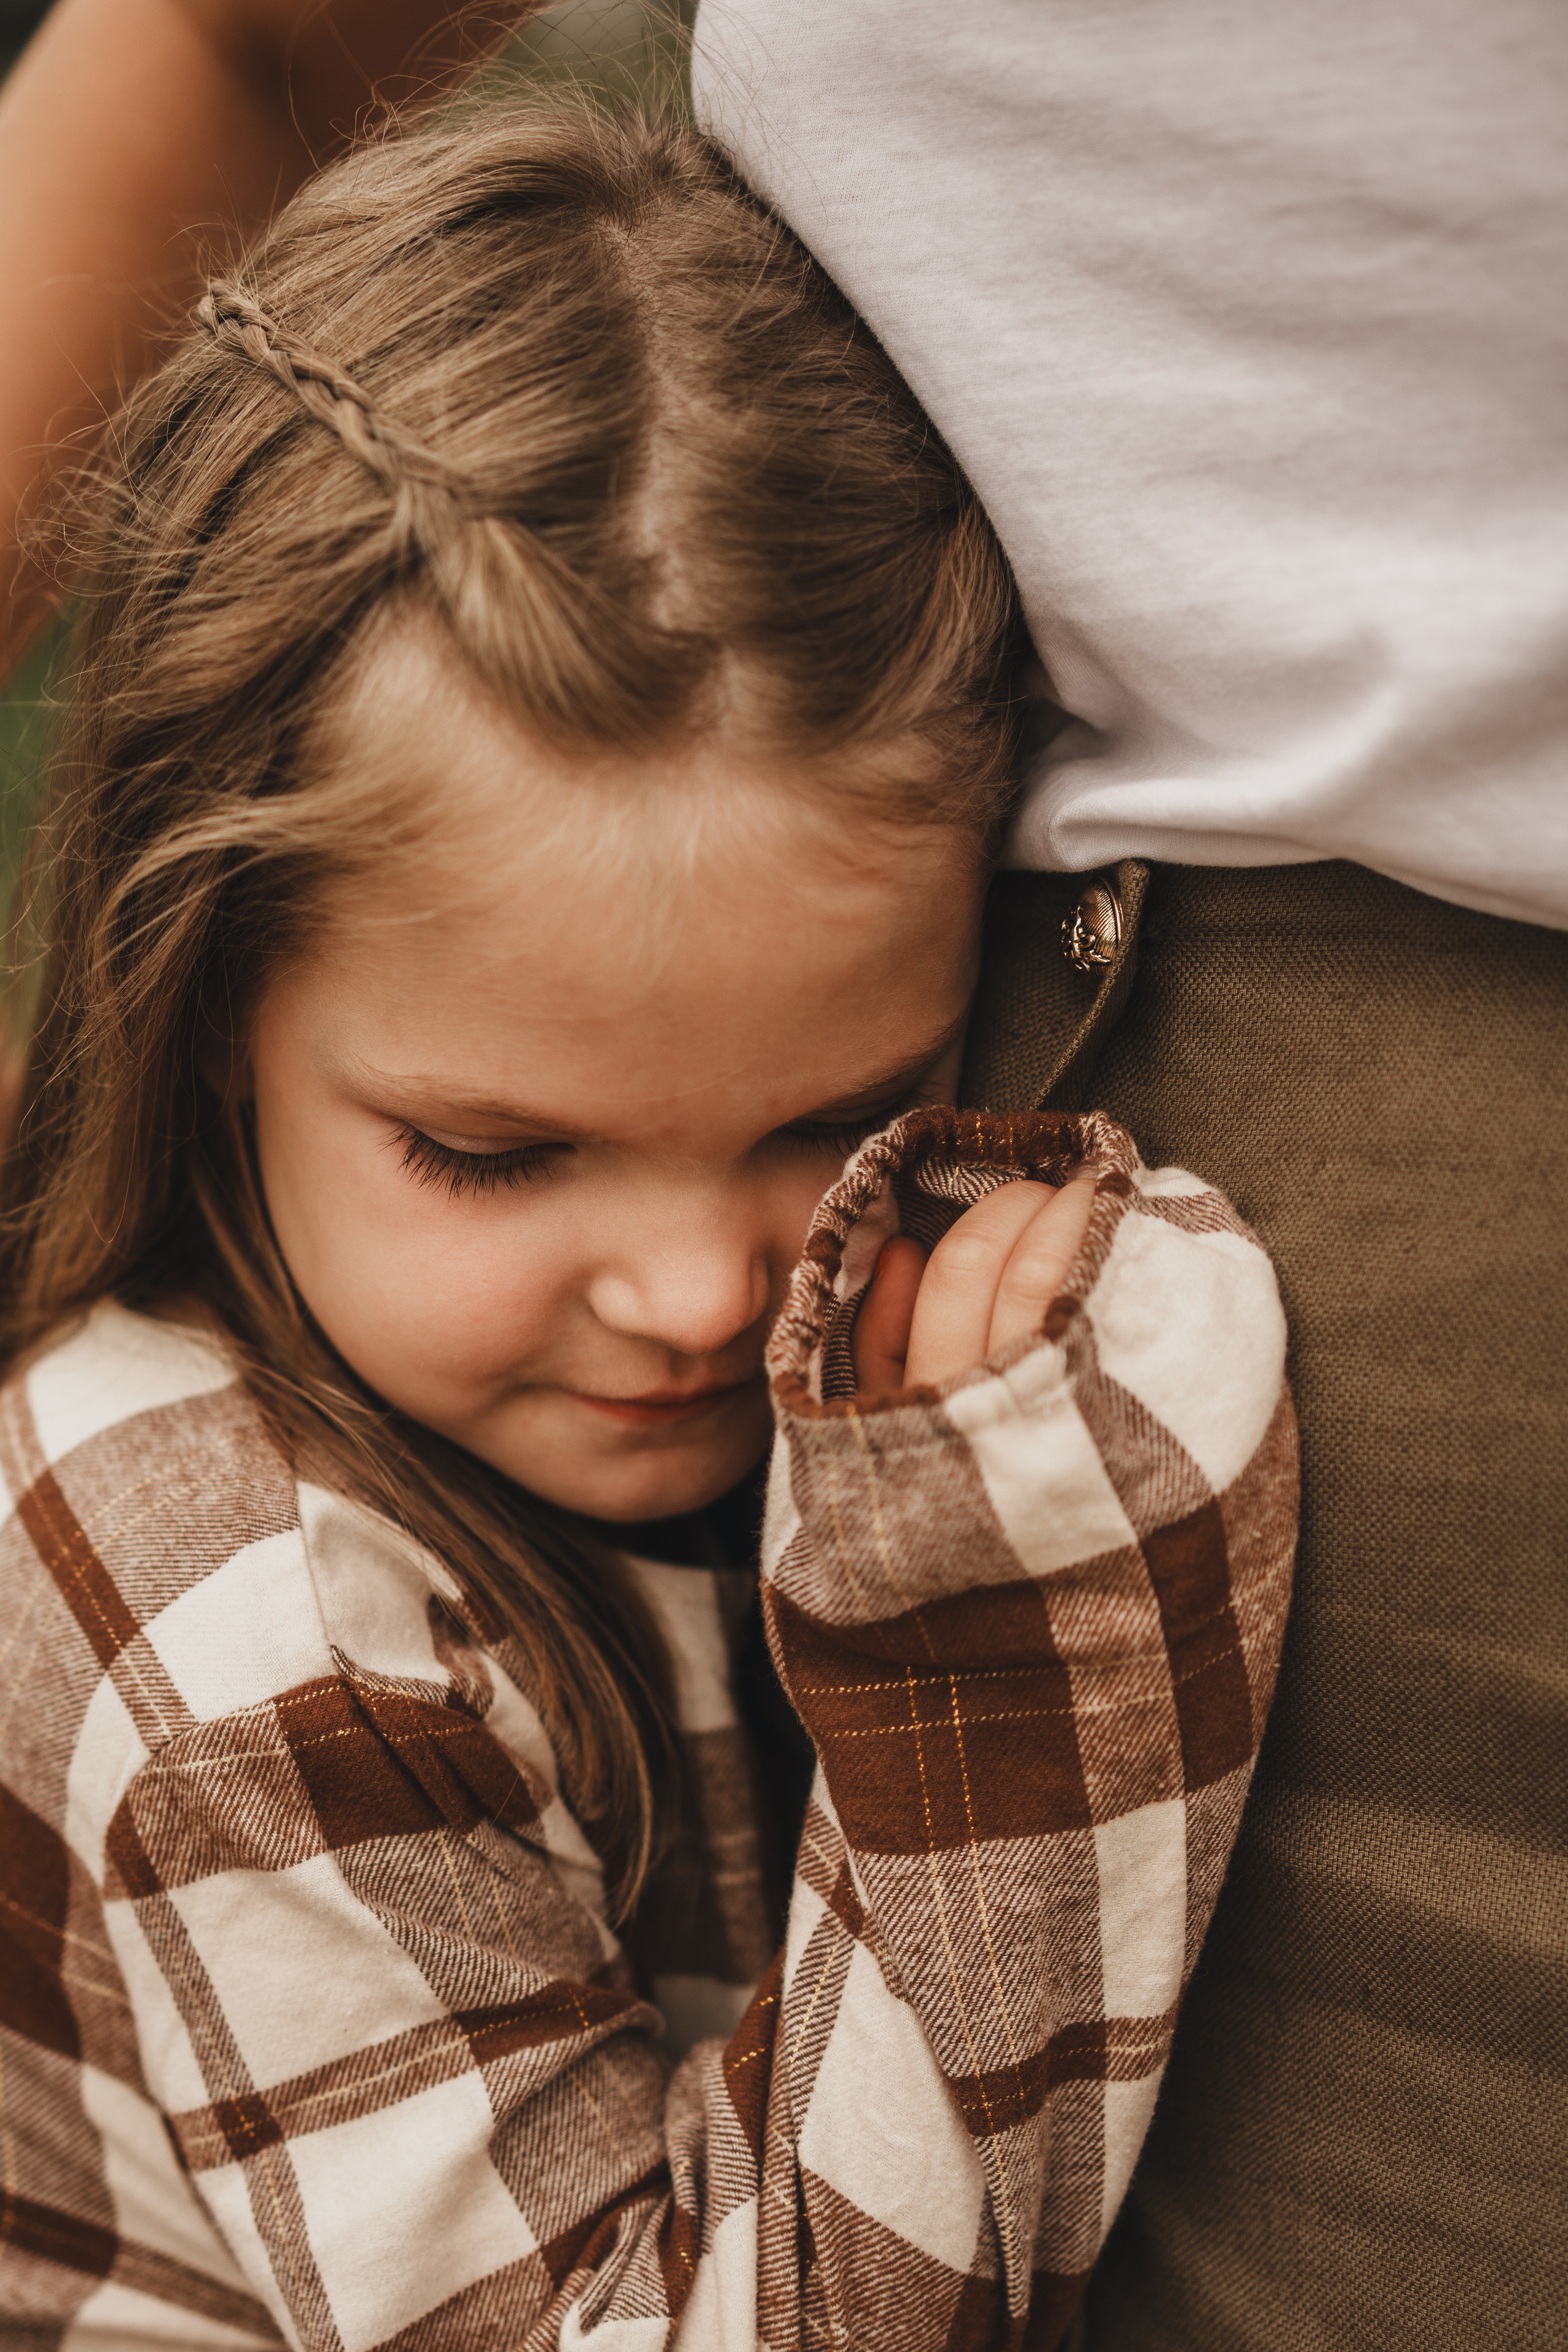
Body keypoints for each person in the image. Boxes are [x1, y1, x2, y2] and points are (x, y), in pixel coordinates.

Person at [0, 105, 1297, 2350]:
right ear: (203, 999)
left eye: (841, 1114)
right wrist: (1005, 1659)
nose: (706, 1293)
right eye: (496, 1152)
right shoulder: (238, 1612)